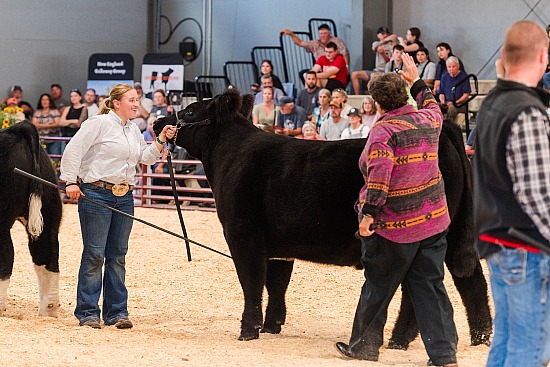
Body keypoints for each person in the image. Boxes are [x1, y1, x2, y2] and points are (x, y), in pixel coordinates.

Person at [335, 53, 458, 366]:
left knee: (378, 285)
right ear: (404, 95)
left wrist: (368, 217)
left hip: (394, 227)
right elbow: (430, 102)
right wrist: (415, 79)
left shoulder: (383, 132)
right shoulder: (429, 119)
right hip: (433, 220)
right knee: (430, 285)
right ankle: (444, 354)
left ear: (377, 103)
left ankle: (363, 347)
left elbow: (379, 180)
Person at [59, 83, 177, 329]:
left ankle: (116, 313)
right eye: (132, 100)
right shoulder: (98, 124)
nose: (136, 104)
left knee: (118, 255)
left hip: (124, 196)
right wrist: (70, 180)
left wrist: (160, 140)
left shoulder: (133, 130)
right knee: (94, 254)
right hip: (96, 193)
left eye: (137, 100)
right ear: (116, 103)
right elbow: (74, 149)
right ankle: (88, 312)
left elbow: (144, 159)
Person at [472, 20, 550, 367]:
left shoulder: (492, 102)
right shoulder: (527, 111)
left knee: (505, 342)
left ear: (503, 55)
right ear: (544, 56)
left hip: (499, 241)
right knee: (529, 350)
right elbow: (539, 197)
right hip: (527, 248)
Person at [281, 23, 349, 83]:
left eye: (325, 33)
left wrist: (346, 66)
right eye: (321, 33)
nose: (323, 35)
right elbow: (300, 43)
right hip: (320, 68)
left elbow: (345, 53)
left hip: (334, 69)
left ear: (329, 34)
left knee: (314, 77)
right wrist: (291, 34)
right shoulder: (315, 44)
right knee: (304, 74)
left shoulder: (336, 41)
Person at [350, 26, 397, 95]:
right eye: (383, 34)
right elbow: (374, 47)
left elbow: (389, 62)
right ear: (378, 35)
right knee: (354, 74)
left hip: (385, 70)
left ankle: (373, 96)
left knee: (373, 76)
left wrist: (383, 54)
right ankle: (357, 96)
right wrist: (384, 40)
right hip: (376, 69)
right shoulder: (376, 43)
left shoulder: (391, 46)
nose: (385, 35)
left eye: (386, 34)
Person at [438, 56, 471, 125]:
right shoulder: (444, 76)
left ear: (458, 66)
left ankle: (448, 127)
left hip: (460, 103)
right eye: (449, 67)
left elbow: (466, 94)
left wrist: (455, 102)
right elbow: (441, 93)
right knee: (435, 106)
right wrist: (443, 101)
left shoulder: (464, 77)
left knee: (452, 108)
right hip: (447, 102)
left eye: (453, 67)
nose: (451, 69)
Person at [31, 93, 62, 162]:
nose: (44, 102)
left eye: (47, 100)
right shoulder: (37, 112)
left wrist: (41, 125)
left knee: (55, 160)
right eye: (43, 100)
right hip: (41, 141)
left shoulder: (55, 111)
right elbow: (34, 125)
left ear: (50, 101)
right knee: (42, 161)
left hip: (54, 140)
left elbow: (57, 123)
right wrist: (49, 124)